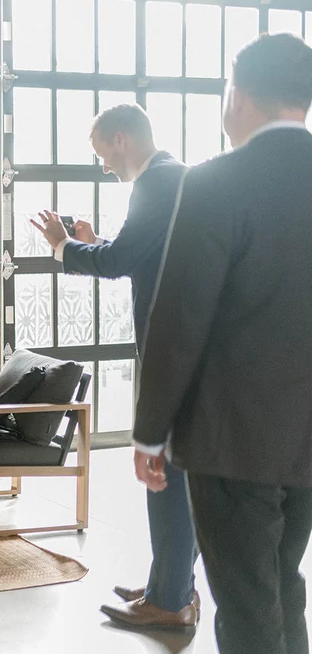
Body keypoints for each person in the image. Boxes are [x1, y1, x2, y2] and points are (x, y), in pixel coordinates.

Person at [133, 34, 312, 654]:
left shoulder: (216, 182)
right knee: (282, 583)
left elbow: (180, 319)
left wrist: (150, 432)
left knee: (244, 601)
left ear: (236, 96)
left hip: (231, 438)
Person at [31, 104, 199, 629]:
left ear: (122, 139)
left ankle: (168, 603)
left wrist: (64, 247)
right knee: (176, 475)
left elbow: (120, 264)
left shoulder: (156, 183)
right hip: (189, 348)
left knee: (165, 475)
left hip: (173, 351)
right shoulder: (176, 178)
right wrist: (92, 241)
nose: (103, 165)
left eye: (103, 153)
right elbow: (144, 256)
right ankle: (169, 586)